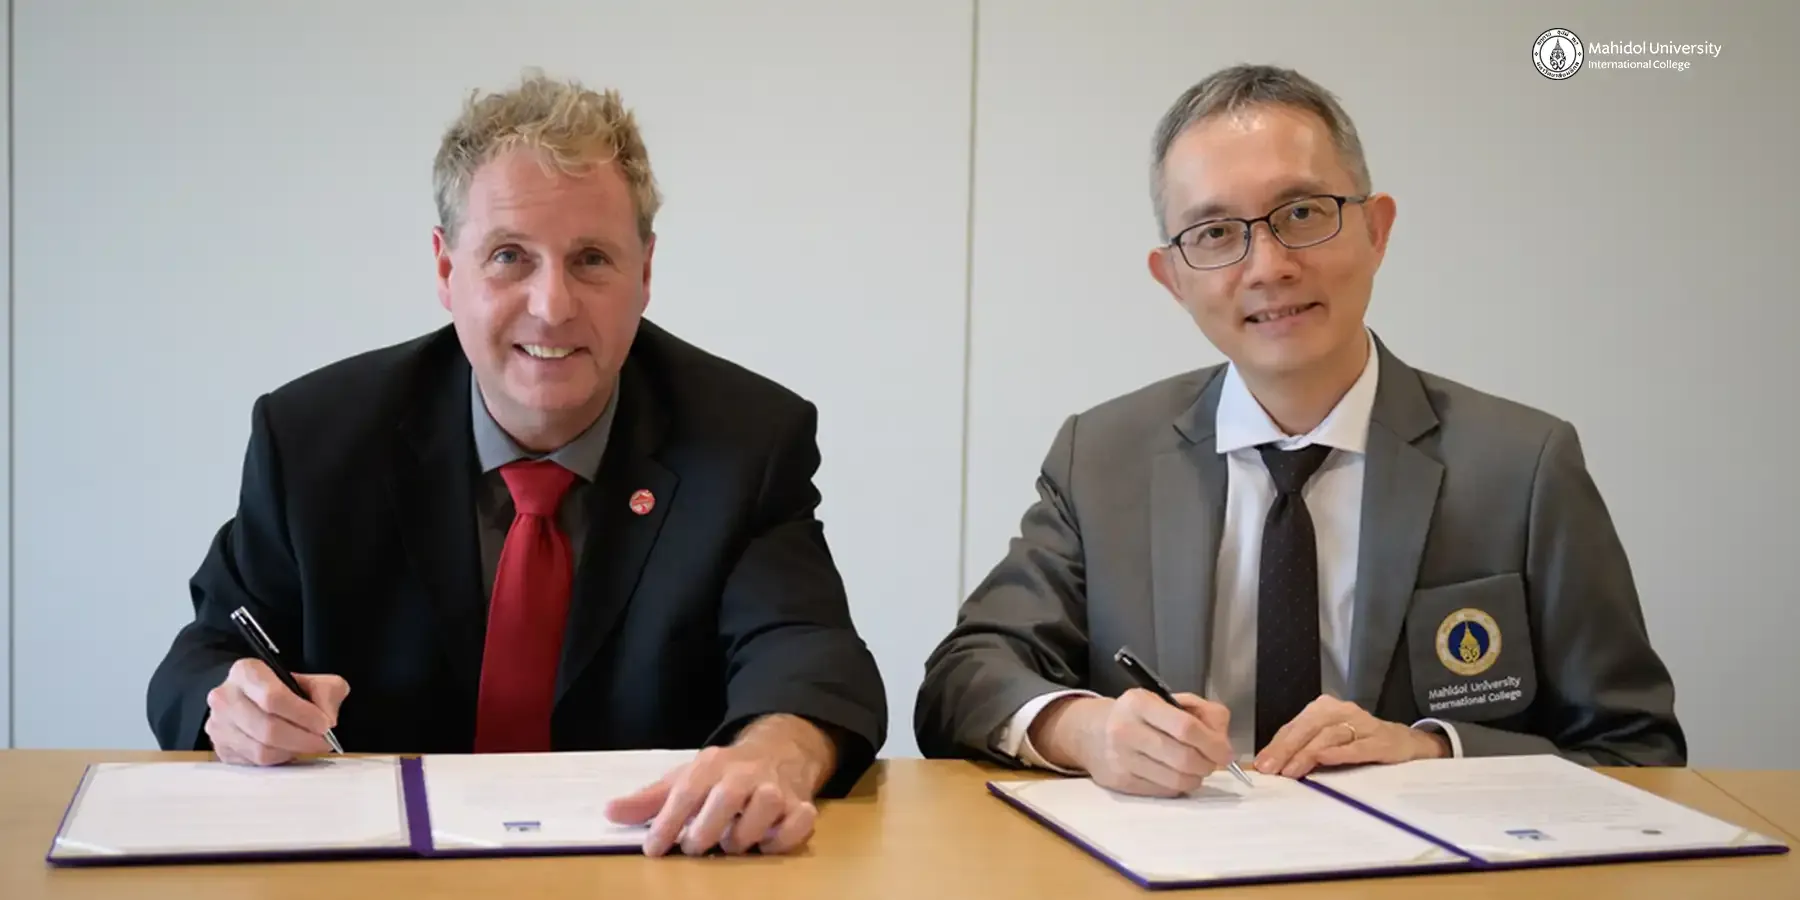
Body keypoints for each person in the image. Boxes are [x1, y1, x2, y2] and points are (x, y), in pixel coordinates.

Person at [146, 71, 887, 856]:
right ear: (446, 271)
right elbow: (204, 657)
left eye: (591, 259)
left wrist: (774, 754)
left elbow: (807, 653)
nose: (552, 306)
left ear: (645, 273)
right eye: (509, 256)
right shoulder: (316, 438)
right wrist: (232, 705)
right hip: (380, 873)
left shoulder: (744, 438)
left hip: (645, 867)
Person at [914, 64, 1685, 796]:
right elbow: (965, 676)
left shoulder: (1522, 467)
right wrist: (1085, 731)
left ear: (1377, 230)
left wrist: (1434, 755)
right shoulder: (1103, 458)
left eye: (1303, 214)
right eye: (1215, 233)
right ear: (1172, 278)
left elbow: (1637, 752)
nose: (1268, 265)